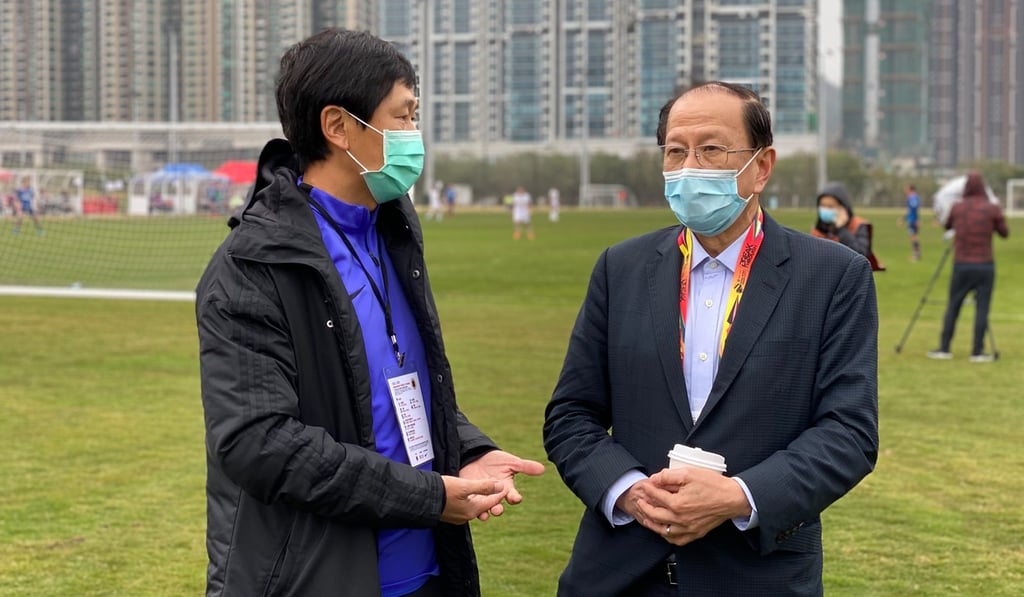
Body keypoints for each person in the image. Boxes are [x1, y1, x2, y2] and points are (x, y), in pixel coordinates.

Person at [195, 29, 544, 597]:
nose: (414, 135)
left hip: (428, 570)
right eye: (402, 117)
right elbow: (259, 444)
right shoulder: (253, 265)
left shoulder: (393, 229)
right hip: (320, 576)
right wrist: (428, 498)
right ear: (338, 127)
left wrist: (470, 450)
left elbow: (389, 387)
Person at [543, 81, 879, 596]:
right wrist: (630, 492)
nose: (690, 167)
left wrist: (739, 496)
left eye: (712, 149)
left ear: (761, 166)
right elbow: (571, 415)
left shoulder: (833, 276)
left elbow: (848, 431)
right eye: (675, 151)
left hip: (756, 575)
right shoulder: (621, 267)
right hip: (617, 574)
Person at [927, 171, 1009, 362]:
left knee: (953, 305)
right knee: (982, 309)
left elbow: (947, 226)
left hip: (962, 263)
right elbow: (1004, 232)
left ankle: (945, 348)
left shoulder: (957, 207)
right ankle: (977, 351)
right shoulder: (991, 209)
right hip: (985, 264)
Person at [811, 182, 885, 272]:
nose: (825, 209)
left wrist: (842, 230)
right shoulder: (818, 229)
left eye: (830, 206)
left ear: (843, 207)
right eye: (822, 205)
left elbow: (862, 255)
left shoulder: (858, 225)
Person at [899, 184, 921, 261]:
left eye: (906, 189)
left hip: (913, 220)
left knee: (913, 237)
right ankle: (916, 254)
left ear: (910, 189)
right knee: (913, 237)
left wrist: (916, 220)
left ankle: (916, 255)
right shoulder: (914, 197)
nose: (905, 191)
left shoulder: (912, 197)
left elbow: (913, 209)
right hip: (912, 219)